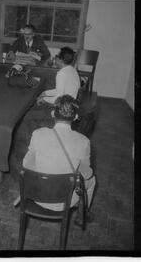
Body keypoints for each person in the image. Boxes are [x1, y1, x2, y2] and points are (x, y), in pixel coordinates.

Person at [22, 95, 96, 226]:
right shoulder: (84, 142)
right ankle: (83, 213)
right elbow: (87, 174)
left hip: (37, 195)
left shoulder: (38, 134)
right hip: (65, 200)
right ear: (76, 117)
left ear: (52, 113)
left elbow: (26, 164)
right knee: (92, 180)